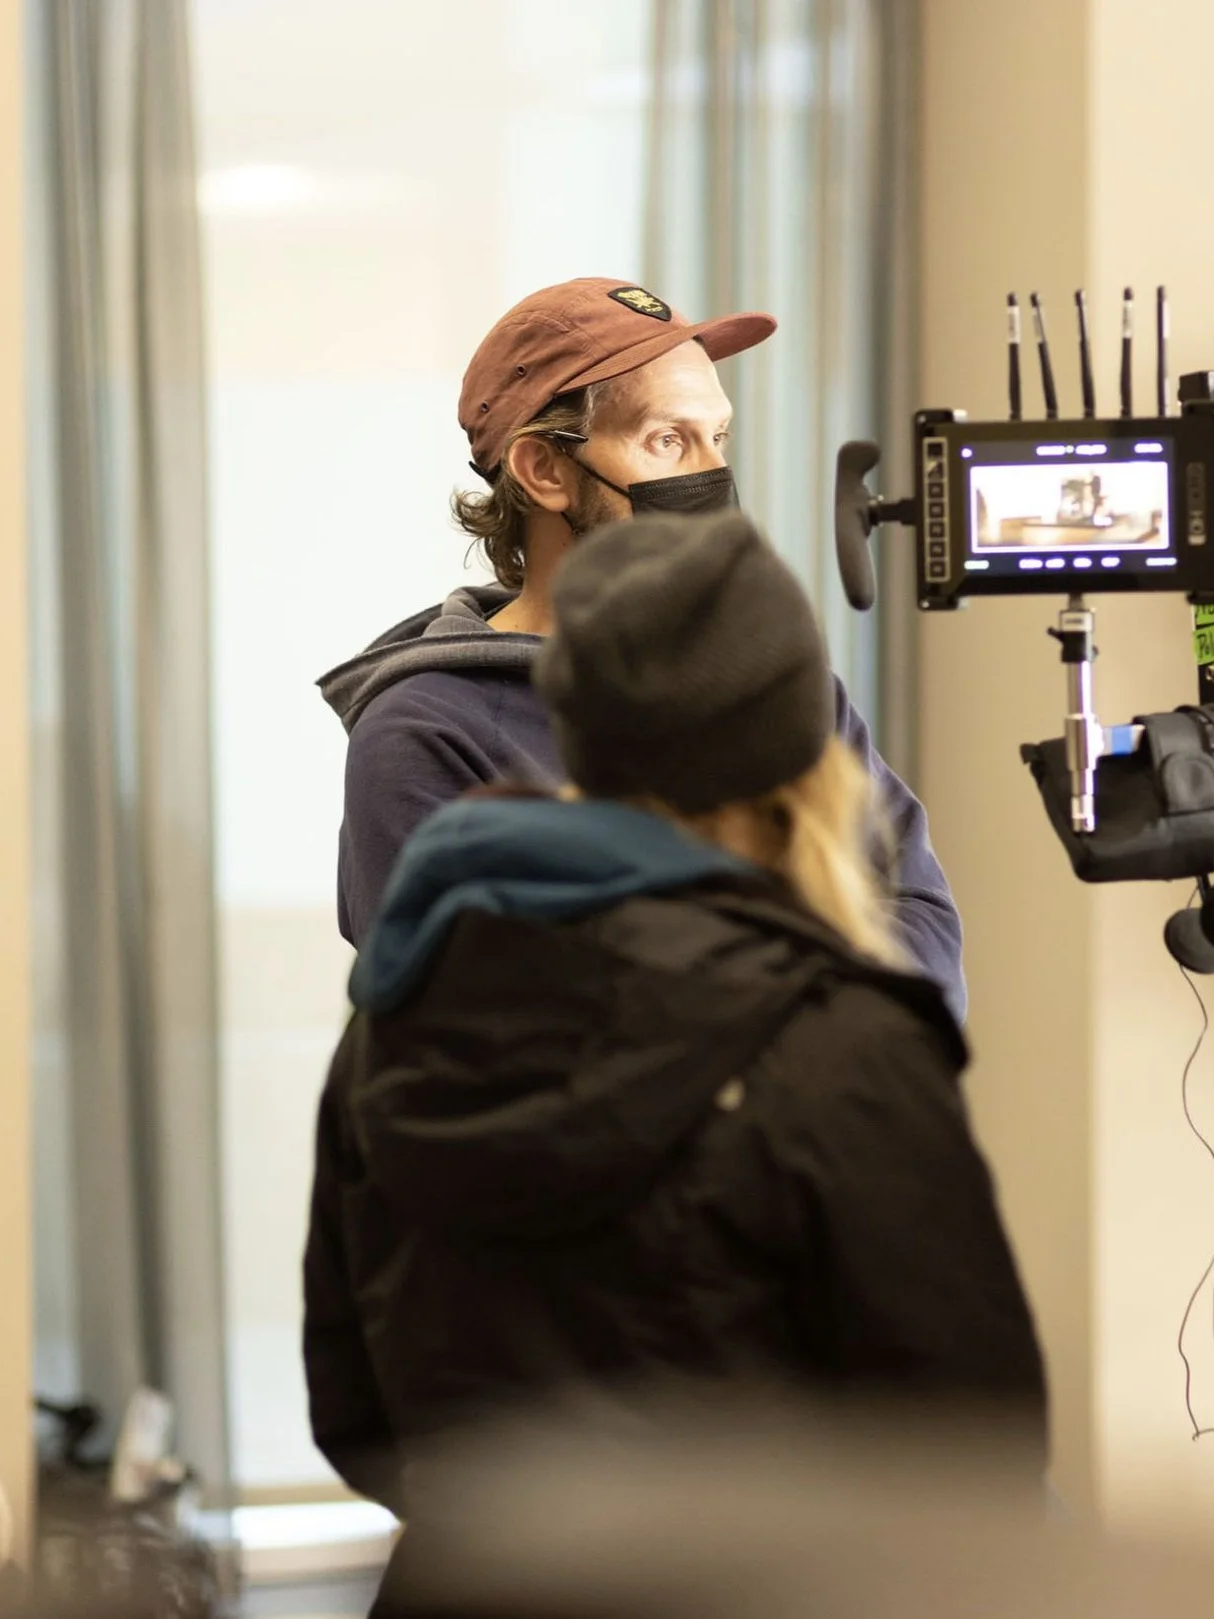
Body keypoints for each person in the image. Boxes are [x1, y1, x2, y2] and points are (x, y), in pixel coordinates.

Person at [302, 513, 1045, 1611]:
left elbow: (355, 1413)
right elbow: (976, 1449)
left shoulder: (395, 1022)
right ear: (805, 756)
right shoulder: (838, 1041)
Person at [318, 276, 968, 1017]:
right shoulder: (426, 733)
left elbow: (920, 925)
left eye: (716, 437)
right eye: (668, 440)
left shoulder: (774, 681)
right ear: (544, 470)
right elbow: (493, 1034)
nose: (711, 476)